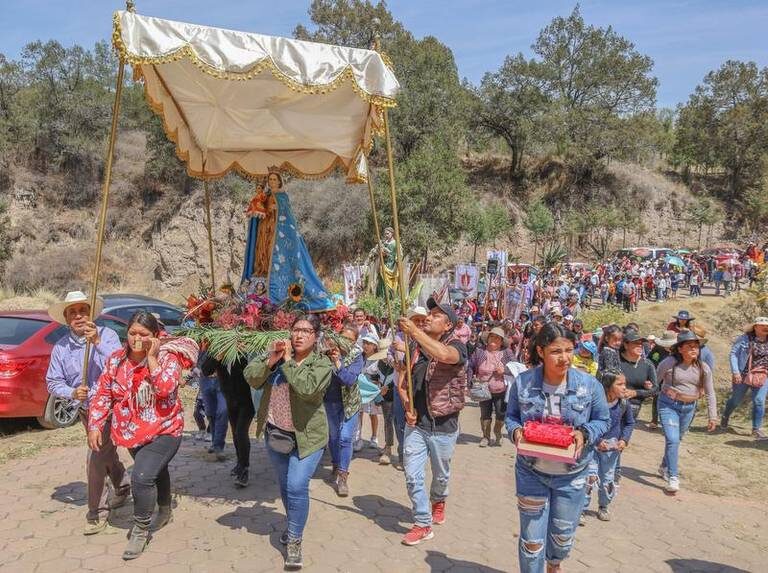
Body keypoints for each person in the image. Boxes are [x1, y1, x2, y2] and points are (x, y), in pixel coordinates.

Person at [88, 311, 198, 560]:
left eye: (144, 334)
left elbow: (165, 389)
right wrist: (95, 424)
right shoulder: (116, 360)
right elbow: (104, 394)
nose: (137, 338)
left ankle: (140, 528)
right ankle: (166, 508)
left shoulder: (168, 358)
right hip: (131, 432)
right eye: (132, 333)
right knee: (155, 470)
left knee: (141, 476)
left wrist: (151, 358)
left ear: (156, 336)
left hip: (165, 429)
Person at [506, 323, 609, 573]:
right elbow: (511, 417)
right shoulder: (523, 383)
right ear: (540, 351)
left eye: (569, 350)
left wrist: (585, 433)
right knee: (532, 541)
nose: (564, 358)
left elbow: (603, 420)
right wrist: (516, 431)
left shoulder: (589, 385)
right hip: (531, 473)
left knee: (562, 536)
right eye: (556, 351)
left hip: (572, 475)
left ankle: (554, 563)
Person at [244, 315, 332, 570]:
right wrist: (271, 361)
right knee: (285, 488)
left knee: (296, 485)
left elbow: (307, 389)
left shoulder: (322, 364)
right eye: (296, 329)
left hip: (308, 437)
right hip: (277, 434)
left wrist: (288, 362)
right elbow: (251, 376)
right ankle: (293, 524)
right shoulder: (278, 355)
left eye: (306, 331)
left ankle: (294, 539)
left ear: (316, 337)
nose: (299, 335)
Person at [45, 290, 128, 535]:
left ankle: (97, 511)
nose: (79, 316)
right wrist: (72, 392)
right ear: (67, 318)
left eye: (83, 311)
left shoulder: (108, 335)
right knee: (106, 452)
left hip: (109, 408)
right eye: (73, 312)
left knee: (96, 457)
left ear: (91, 314)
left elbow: (119, 365)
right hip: (85, 410)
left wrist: (97, 344)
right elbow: (52, 381)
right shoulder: (60, 348)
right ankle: (123, 486)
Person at [397, 297, 467, 546]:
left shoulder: (457, 345)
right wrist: (407, 406)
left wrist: (414, 331)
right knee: (413, 475)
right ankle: (423, 523)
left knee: (440, 475)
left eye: (436, 315)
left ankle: (439, 499)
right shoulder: (413, 349)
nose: (428, 317)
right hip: (416, 425)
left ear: (448, 326)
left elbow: (444, 355)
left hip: (444, 426)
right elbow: (402, 384)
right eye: (429, 313)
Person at [656, 330, 717, 494]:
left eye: (696, 346)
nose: (694, 349)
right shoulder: (668, 363)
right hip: (668, 405)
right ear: (680, 348)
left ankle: (664, 465)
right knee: (673, 439)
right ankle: (673, 477)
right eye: (689, 346)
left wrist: (713, 416)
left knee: (677, 439)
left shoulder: (704, 368)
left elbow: (710, 392)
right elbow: (656, 381)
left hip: (689, 408)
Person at [582, 370, 634, 523]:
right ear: (607, 386)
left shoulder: (624, 403)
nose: (624, 387)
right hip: (592, 446)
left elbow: (630, 423)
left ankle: (603, 506)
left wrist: (624, 440)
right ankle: (582, 509)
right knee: (589, 478)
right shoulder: (594, 403)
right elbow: (586, 423)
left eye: (625, 384)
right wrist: (597, 441)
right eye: (620, 384)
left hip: (611, 451)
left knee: (607, 480)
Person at [322, 325, 364, 496]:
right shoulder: (326, 352)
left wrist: (338, 363)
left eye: (349, 340)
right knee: (333, 437)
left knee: (346, 438)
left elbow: (348, 380)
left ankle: (343, 476)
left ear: (354, 342)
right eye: (343, 337)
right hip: (330, 402)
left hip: (350, 404)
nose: (345, 342)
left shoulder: (357, 357)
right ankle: (335, 463)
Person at [202, 355, 255, 487]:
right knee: (236, 433)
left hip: (248, 400)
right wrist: (217, 356)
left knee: (241, 432)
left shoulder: (246, 350)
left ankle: (244, 469)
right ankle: (239, 463)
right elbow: (206, 370)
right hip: (231, 399)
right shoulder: (219, 349)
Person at [721, 316, 768, 440]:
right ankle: (725, 415)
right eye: (762, 325)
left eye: (767, 326)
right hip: (743, 374)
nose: (765, 328)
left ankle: (756, 429)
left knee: (759, 400)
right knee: (736, 400)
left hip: (762, 375)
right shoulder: (745, 339)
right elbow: (733, 354)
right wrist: (735, 372)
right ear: (755, 327)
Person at [468, 326, 516, 447]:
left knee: (501, 414)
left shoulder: (507, 353)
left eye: (497, 338)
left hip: (501, 390)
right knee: (485, 414)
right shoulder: (479, 352)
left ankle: (498, 433)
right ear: (488, 338)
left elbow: (517, 367)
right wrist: (469, 382)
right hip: (483, 389)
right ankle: (486, 437)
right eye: (492, 337)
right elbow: (470, 366)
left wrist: (504, 370)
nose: (494, 339)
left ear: (501, 341)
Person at [193, 350, 228, 461]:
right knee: (210, 413)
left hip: (222, 379)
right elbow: (195, 357)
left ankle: (219, 446)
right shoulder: (205, 339)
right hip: (205, 379)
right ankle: (214, 442)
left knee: (222, 411)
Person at [619, 330, 657, 420]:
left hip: (634, 406)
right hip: (614, 404)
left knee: (625, 432)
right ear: (626, 345)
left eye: (641, 344)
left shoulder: (647, 364)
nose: (640, 346)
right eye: (636, 343)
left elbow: (655, 389)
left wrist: (636, 393)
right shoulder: (616, 360)